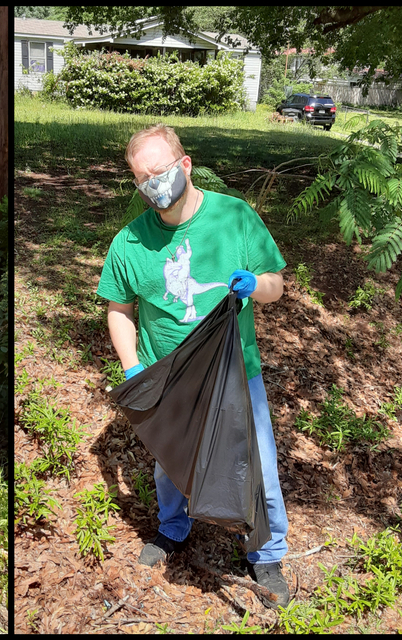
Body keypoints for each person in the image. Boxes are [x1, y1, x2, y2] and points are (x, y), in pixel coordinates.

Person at [96, 124, 290, 608]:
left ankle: (266, 552)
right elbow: (118, 309)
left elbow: (277, 285)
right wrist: (132, 368)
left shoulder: (234, 216)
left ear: (184, 165)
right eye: (142, 178)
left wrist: (256, 287)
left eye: (159, 172)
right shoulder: (130, 242)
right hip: (168, 376)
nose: (152, 185)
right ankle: (173, 528)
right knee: (169, 463)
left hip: (232, 372)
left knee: (257, 462)